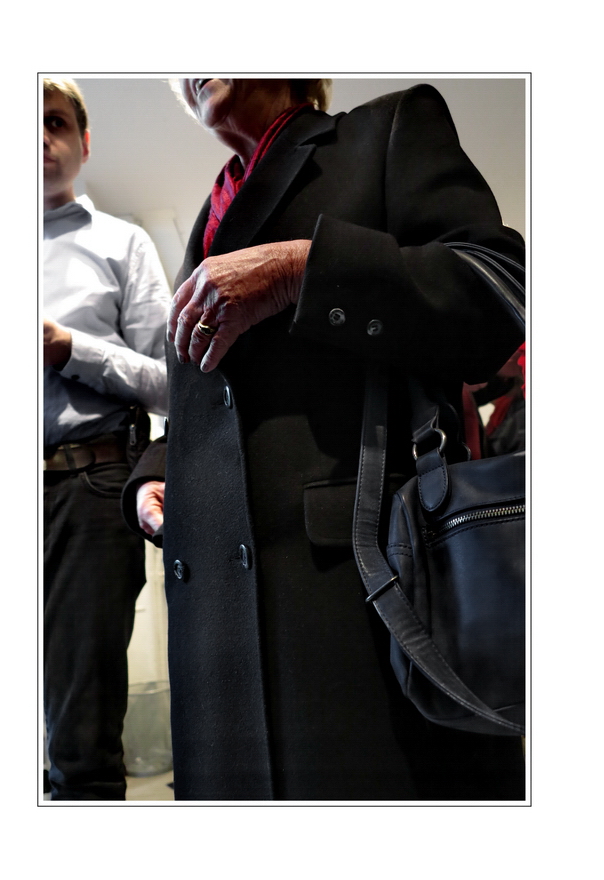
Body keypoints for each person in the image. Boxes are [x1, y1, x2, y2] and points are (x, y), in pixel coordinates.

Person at [122, 78, 525, 801]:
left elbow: (498, 292)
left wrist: (303, 272)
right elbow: (209, 400)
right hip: (216, 621)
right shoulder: (203, 225)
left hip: (355, 599)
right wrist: (155, 473)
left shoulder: (387, 131)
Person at [43, 77, 171, 800]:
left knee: (80, 734)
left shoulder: (122, 243)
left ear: (83, 144)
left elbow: (173, 386)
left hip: (86, 491)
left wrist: (72, 351)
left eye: (55, 122)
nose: (38, 138)